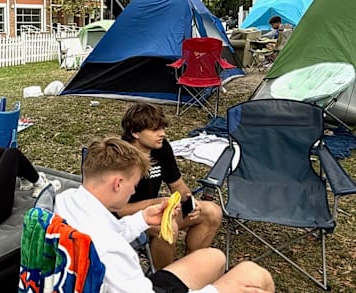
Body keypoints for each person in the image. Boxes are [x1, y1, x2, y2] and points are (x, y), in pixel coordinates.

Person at [55, 136, 275, 293]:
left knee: (214, 257)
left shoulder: (68, 200)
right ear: (118, 183)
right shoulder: (114, 254)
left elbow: (106, 233)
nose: (133, 191)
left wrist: (142, 219)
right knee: (254, 275)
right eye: (133, 185)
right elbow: (109, 246)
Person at [118, 103, 223, 269]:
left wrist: (190, 204)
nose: (162, 134)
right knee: (168, 228)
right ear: (135, 132)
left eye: (162, 128)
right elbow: (116, 210)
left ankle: (190, 270)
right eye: (155, 130)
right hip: (124, 221)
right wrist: (153, 203)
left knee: (212, 212)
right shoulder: (119, 157)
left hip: (157, 210)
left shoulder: (161, 148)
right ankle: (164, 280)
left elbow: (178, 185)